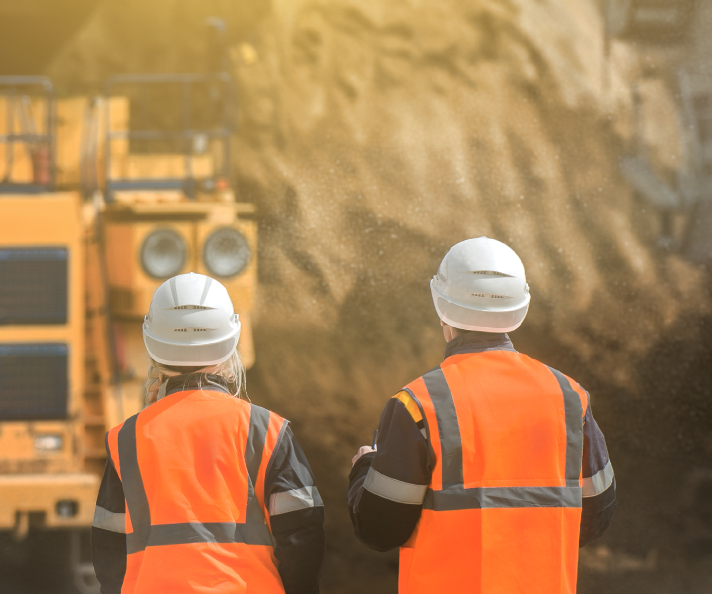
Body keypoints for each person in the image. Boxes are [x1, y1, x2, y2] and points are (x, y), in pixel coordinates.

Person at [346, 237, 617, 593]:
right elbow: (596, 516)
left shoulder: (417, 404)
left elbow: (380, 528)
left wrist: (363, 468)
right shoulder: (570, 398)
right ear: (519, 308)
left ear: (442, 307)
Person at [92, 273, 324, 594]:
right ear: (230, 343)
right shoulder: (267, 430)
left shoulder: (126, 439)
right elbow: (301, 538)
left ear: (153, 346)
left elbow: (109, 552)